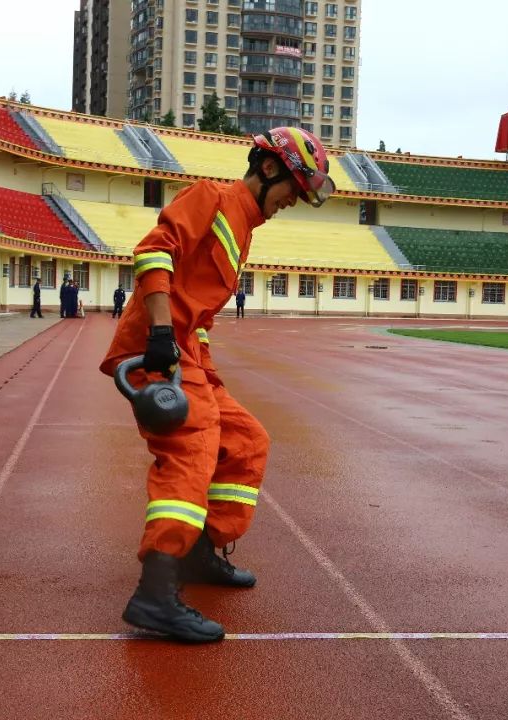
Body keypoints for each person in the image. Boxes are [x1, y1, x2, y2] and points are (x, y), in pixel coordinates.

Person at [100, 127, 334, 642]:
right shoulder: (211, 197)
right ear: (269, 169)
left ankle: (199, 554)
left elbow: (197, 309)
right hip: (155, 349)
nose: (289, 203)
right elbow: (153, 253)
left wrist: (202, 366)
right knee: (194, 450)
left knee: (246, 441)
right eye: (291, 190)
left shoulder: (245, 226)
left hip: (187, 355)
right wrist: (162, 333)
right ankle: (156, 592)